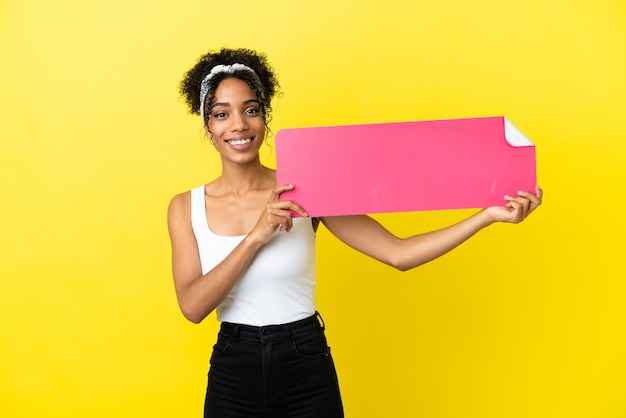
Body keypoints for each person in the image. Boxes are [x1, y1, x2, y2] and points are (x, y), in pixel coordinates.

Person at [167, 47, 542, 418]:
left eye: (251, 110)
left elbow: (399, 253)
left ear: (264, 118)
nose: (238, 125)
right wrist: (256, 236)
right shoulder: (186, 206)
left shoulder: (304, 188)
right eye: (221, 114)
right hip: (235, 365)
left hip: (305, 362)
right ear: (208, 127)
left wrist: (486, 217)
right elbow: (193, 306)